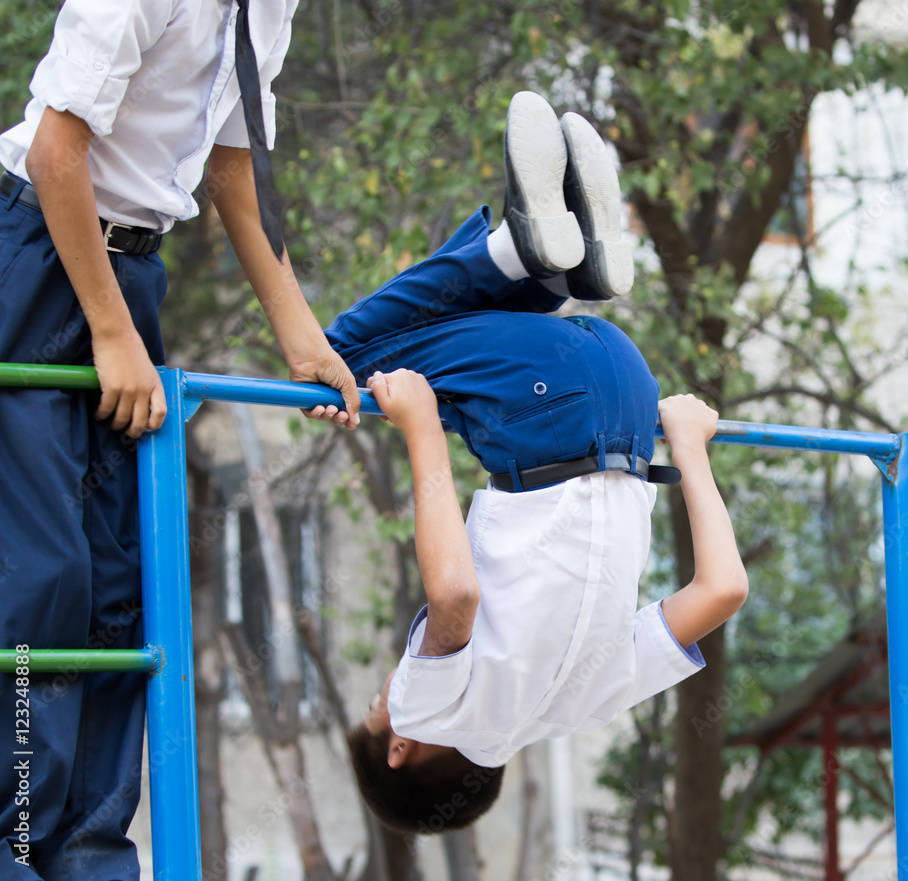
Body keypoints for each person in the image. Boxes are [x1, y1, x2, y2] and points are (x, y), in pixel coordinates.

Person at [327, 92, 749, 834]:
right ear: (399, 745)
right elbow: (454, 596)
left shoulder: (587, 706)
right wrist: (420, 426)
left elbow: (723, 589)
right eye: (375, 706)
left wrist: (686, 446)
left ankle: (564, 270)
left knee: (458, 398)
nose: (384, 692)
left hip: (625, 390)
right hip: (546, 403)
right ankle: (524, 257)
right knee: (339, 364)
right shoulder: (430, 707)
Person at [0, 3, 358, 878]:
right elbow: (56, 151)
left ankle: (87, 856)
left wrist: (302, 336)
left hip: (128, 272)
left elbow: (233, 170)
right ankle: (11, 846)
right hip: (38, 246)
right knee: (44, 574)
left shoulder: (269, 7)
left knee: (122, 586)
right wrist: (111, 331)